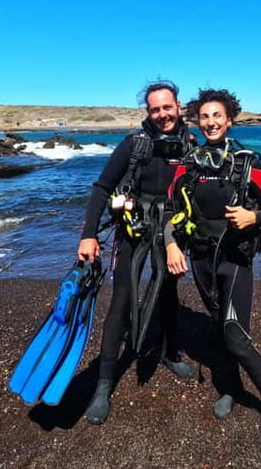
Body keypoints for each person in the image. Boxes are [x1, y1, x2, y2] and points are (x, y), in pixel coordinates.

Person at [164, 88, 261, 450]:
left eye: (217, 116)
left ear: (229, 119)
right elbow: (172, 211)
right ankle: (230, 388)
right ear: (197, 121)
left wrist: (253, 216)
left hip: (234, 260)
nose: (211, 122)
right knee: (219, 327)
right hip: (201, 260)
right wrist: (171, 243)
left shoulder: (246, 162)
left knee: (235, 335)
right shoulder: (189, 163)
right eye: (204, 116)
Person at [78, 80, 196, 425]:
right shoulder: (134, 145)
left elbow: (200, 191)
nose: (162, 115)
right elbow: (101, 188)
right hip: (134, 228)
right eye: (155, 109)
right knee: (122, 300)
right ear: (149, 112)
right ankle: (103, 382)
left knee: (169, 293)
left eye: (167, 107)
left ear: (178, 106)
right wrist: (88, 235)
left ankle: (168, 353)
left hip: (170, 230)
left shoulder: (190, 144)